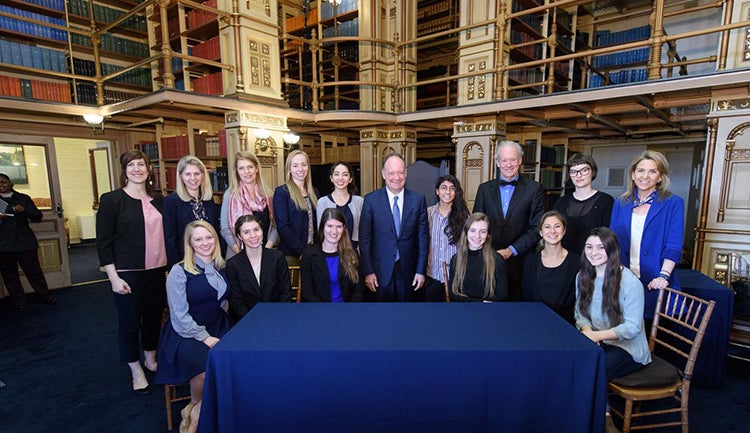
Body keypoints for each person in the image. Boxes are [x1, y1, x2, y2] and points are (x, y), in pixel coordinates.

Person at [96, 149, 166, 394]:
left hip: (157, 271)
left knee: (153, 318)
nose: (137, 169)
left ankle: (150, 357)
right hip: (127, 273)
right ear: (124, 170)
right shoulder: (111, 200)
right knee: (129, 323)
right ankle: (135, 369)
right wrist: (113, 278)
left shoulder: (160, 200)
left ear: (149, 170)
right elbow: (103, 243)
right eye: (131, 165)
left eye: (141, 165)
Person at [155, 221, 230, 433]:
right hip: (186, 332)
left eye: (209, 237)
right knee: (206, 368)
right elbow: (178, 316)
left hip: (218, 325)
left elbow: (222, 301)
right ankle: (197, 408)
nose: (205, 243)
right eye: (198, 239)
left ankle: (196, 410)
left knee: (233, 360)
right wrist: (204, 337)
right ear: (190, 244)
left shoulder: (220, 267)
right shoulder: (179, 272)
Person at [610, 150, 684, 319]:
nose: (645, 176)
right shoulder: (621, 202)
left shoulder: (673, 203)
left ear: (660, 177)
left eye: (653, 171)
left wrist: (663, 276)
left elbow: (673, 245)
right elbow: (612, 242)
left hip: (655, 279)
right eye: (641, 170)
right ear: (633, 174)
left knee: (650, 327)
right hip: (624, 278)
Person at [575, 227, 651, 381]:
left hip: (627, 347)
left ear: (612, 249)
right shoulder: (582, 276)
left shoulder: (630, 282)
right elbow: (580, 313)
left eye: (601, 247)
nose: (593, 253)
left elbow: (632, 327)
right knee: (569, 364)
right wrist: (588, 332)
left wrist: (596, 336)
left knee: (589, 373)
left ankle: (597, 405)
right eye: (589, 247)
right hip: (597, 340)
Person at [473, 141, 544, 300]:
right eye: (504, 160)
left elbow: (536, 228)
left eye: (512, 159)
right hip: (489, 259)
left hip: (521, 261)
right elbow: (476, 225)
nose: (508, 164)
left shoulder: (534, 189)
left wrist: (511, 250)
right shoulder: (484, 189)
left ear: (520, 160)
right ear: (497, 163)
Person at [359, 153, 429, 302]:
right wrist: (368, 272)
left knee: (407, 317)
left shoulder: (418, 200)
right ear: (383, 174)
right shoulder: (371, 200)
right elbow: (365, 240)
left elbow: (423, 239)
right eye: (391, 172)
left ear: (406, 173)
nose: (396, 177)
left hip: (410, 274)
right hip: (379, 274)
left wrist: (420, 271)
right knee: (381, 318)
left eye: (400, 172)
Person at [0, 173, 56, 310]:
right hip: (3, 243)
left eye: (3, 182)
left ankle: (45, 295)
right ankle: (18, 300)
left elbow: (37, 216)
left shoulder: (23, 198)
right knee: (9, 274)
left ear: (10, 183)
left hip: (24, 241)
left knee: (34, 271)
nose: (1, 185)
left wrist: (24, 210)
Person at [226, 214, 291, 321]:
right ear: (239, 236)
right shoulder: (233, 264)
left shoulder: (277, 257)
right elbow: (236, 301)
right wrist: (253, 320)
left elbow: (285, 291)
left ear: (262, 231)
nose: (253, 235)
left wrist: (279, 315)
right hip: (247, 321)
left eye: (256, 229)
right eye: (246, 232)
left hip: (277, 317)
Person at [162, 155, 221, 267]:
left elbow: (215, 231)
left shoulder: (208, 199)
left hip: (211, 260)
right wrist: (176, 268)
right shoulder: (171, 201)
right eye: (188, 174)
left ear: (203, 175)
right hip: (185, 262)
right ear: (181, 177)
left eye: (197, 174)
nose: (193, 178)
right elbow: (170, 239)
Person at [521, 210, 579, 323]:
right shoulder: (530, 261)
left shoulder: (577, 262)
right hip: (535, 322)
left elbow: (579, 300)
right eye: (547, 227)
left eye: (557, 226)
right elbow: (526, 296)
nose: (552, 231)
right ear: (541, 232)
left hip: (567, 325)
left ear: (564, 230)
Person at [553, 153, 614, 257]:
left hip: (593, 260)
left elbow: (607, 238)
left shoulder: (606, 201)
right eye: (573, 171)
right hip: (564, 260)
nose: (578, 175)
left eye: (584, 170)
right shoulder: (561, 202)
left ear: (593, 171)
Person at [220, 151, 276, 260]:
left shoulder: (269, 194)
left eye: (250, 167)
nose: (246, 172)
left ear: (256, 168)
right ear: (237, 171)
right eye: (241, 168)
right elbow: (225, 228)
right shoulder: (230, 195)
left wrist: (266, 250)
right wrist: (240, 253)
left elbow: (275, 225)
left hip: (265, 254)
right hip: (237, 255)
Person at [300, 208, 363, 302]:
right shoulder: (309, 255)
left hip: (348, 311)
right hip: (318, 311)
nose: (334, 231)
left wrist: (350, 311)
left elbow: (358, 291)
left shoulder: (352, 254)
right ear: (322, 227)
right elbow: (307, 293)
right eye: (329, 226)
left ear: (344, 228)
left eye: (339, 226)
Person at [425, 175, 469, 302]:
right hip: (431, 275)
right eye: (444, 188)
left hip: (454, 277)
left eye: (452, 188)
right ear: (437, 191)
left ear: (456, 192)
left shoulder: (464, 217)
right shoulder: (427, 214)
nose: (448, 192)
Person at [448, 212, 508, 302]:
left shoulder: (497, 260)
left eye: (483, 231)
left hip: (489, 312)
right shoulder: (456, 260)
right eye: (472, 230)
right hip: (464, 311)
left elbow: (501, 295)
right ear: (466, 232)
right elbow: (453, 294)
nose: (477, 236)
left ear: (488, 235)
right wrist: (479, 303)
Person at [273, 150, 318, 264]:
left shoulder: (314, 192)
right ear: (289, 169)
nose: (300, 169)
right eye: (295, 165)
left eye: (304, 165)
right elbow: (283, 227)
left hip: (313, 252)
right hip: (292, 255)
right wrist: (302, 252)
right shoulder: (282, 192)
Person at [315, 161, 363, 248]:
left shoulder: (359, 202)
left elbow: (363, 231)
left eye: (345, 174)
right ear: (331, 178)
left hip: (354, 252)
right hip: (330, 252)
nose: (340, 178)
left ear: (350, 179)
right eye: (336, 174)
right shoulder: (322, 202)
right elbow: (321, 231)